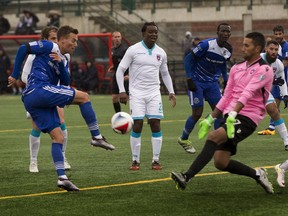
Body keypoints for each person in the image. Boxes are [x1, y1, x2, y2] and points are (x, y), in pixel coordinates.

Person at [8, 25, 115, 191]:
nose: (76, 44)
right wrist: (15, 75)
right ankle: (96, 136)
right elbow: (23, 48)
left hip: (36, 99)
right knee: (84, 97)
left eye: (77, 41)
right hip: (38, 90)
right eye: (73, 40)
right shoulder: (50, 46)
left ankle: (62, 178)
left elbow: (65, 82)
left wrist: (59, 64)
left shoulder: (63, 58)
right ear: (62, 39)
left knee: (58, 137)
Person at [171, 32, 274, 194]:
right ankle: (258, 174)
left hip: (248, 118)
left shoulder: (265, 69)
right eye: (243, 45)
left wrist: (233, 114)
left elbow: (248, 92)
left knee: (213, 136)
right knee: (220, 162)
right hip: (231, 116)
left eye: (247, 45)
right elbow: (227, 96)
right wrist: (211, 118)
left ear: (258, 48)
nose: (243, 48)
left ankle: (186, 176)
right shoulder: (236, 68)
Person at [116, 22, 176, 171]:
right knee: (138, 124)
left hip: (154, 93)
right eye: (150, 32)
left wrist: (171, 91)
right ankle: (135, 160)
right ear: (143, 34)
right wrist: (122, 91)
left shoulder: (161, 52)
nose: (154, 34)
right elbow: (120, 70)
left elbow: (165, 73)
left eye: (156, 32)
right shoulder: (133, 50)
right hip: (136, 93)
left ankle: (155, 160)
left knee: (155, 123)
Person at [21, 26, 71, 173]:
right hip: (39, 93)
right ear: (45, 40)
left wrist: (64, 92)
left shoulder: (64, 55)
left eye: (57, 38)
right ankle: (33, 161)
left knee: (62, 123)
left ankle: (63, 156)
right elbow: (24, 76)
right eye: (53, 39)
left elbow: (65, 75)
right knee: (36, 127)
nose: (56, 42)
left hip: (54, 93)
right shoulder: (35, 54)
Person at [177, 23, 232, 154]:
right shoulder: (206, 45)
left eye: (228, 32)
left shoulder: (228, 50)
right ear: (217, 32)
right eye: (223, 31)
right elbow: (188, 60)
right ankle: (183, 139)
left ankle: (218, 143)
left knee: (219, 112)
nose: (226, 34)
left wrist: (226, 81)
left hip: (212, 83)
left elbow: (223, 65)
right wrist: (189, 79)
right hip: (197, 81)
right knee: (197, 113)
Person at [257, 40, 288, 150]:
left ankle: (287, 141)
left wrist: (285, 95)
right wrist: (272, 80)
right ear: (266, 49)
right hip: (247, 92)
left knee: (274, 111)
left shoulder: (278, 64)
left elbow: (282, 80)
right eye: (271, 49)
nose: (273, 51)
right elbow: (254, 78)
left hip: (263, 91)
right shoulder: (258, 59)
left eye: (276, 49)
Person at [108, 31, 129, 113]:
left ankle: (137, 116)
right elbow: (118, 62)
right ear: (112, 38)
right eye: (115, 37)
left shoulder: (125, 49)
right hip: (116, 75)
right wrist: (113, 67)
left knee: (130, 97)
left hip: (125, 76)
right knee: (114, 97)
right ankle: (119, 115)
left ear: (121, 38)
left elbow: (130, 62)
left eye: (118, 37)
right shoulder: (112, 49)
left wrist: (128, 74)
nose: (117, 38)